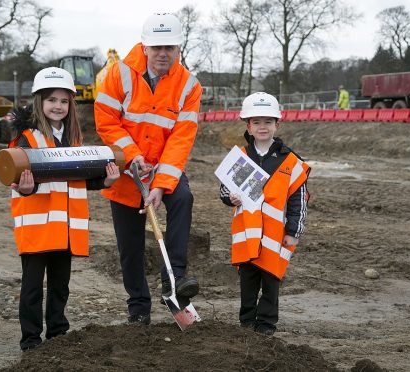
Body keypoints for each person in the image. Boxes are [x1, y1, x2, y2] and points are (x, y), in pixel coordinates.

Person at [94, 13, 202, 325]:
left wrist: (160, 184)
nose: (162, 53)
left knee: (182, 197)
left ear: (178, 49)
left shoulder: (189, 86)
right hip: (126, 170)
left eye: (169, 47)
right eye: (156, 47)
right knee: (130, 247)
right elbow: (105, 119)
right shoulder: (119, 74)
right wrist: (131, 155)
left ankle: (175, 278)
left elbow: (181, 138)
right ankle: (138, 309)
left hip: (162, 167)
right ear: (145, 47)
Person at [9, 66, 120, 351]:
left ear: (71, 104)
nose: (57, 106)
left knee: (60, 285)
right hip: (37, 228)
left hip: (65, 228)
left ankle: (57, 335)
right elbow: (18, 179)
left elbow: (77, 181)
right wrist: (25, 187)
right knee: (33, 288)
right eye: (51, 100)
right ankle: (31, 341)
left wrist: (105, 181)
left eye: (63, 101)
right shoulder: (27, 138)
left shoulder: (74, 141)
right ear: (39, 102)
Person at [219, 92, 310, 336]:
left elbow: (298, 199)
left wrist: (294, 231)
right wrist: (230, 197)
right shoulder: (241, 156)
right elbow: (225, 190)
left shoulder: (290, 161)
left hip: (274, 236)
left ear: (277, 124)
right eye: (256, 122)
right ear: (248, 125)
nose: (262, 127)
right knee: (247, 281)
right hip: (247, 234)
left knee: (271, 282)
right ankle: (247, 324)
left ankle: (266, 325)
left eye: (268, 122)